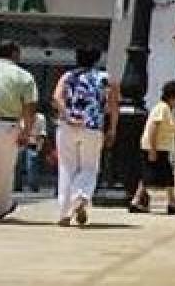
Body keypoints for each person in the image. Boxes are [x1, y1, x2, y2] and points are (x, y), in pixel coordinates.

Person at [52, 47, 117, 227]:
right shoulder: (105, 79)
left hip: (67, 126)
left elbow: (57, 97)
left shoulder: (67, 76)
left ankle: (63, 213)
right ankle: (80, 196)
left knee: (66, 168)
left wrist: (67, 115)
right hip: (93, 126)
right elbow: (113, 106)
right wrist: (112, 129)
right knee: (89, 166)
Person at [131, 80, 175, 215]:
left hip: (161, 148)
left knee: (150, 176)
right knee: (165, 177)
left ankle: (137, 200)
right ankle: (171, 203)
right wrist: (152, 149)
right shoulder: (161, 108)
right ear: (172, 97)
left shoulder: (168, 110)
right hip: (155, 148)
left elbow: (171, 130)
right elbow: (153, 128)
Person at [0, 42, 38, 221]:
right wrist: (26, 132)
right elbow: (30, 107)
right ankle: (0, 208)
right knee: (4, 170)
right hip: (8, 126)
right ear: (14, 54)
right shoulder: (23, 76)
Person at [14, 109, 47, 193]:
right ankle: (17, 186)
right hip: (21, 142)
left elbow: (42, 133)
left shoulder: (40, 117)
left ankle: (33, 186)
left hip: (33, 143)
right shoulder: (21, 116)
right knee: (17, 164)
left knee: (32, 165)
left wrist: (40, 145)